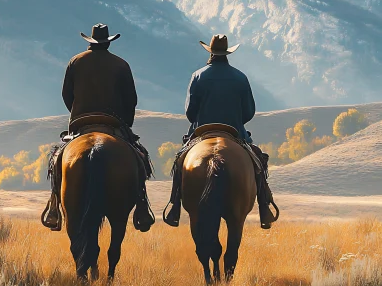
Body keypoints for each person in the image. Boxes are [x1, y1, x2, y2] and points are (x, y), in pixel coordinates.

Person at [42, 23, 154, 232]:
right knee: (140, 158)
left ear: (90, 41)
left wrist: (77, 113)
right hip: (114, 123)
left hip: (81, 122)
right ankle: (141, 206)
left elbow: (67, 95)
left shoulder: (75, 62)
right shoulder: (121, 65)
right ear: (108, 42)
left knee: (57, 159)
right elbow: (131, 100)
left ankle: (54, 206)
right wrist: (126, 125)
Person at [164, 34, 278, 229]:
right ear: (227, 53)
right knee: (258, 162)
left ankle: (175, 205)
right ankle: (264, 207)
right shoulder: (240, 77)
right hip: (234, 131)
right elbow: (249, 111)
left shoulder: (198, 76)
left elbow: (190, 112)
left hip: (202, 131)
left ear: (210, 52)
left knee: (180, 160)